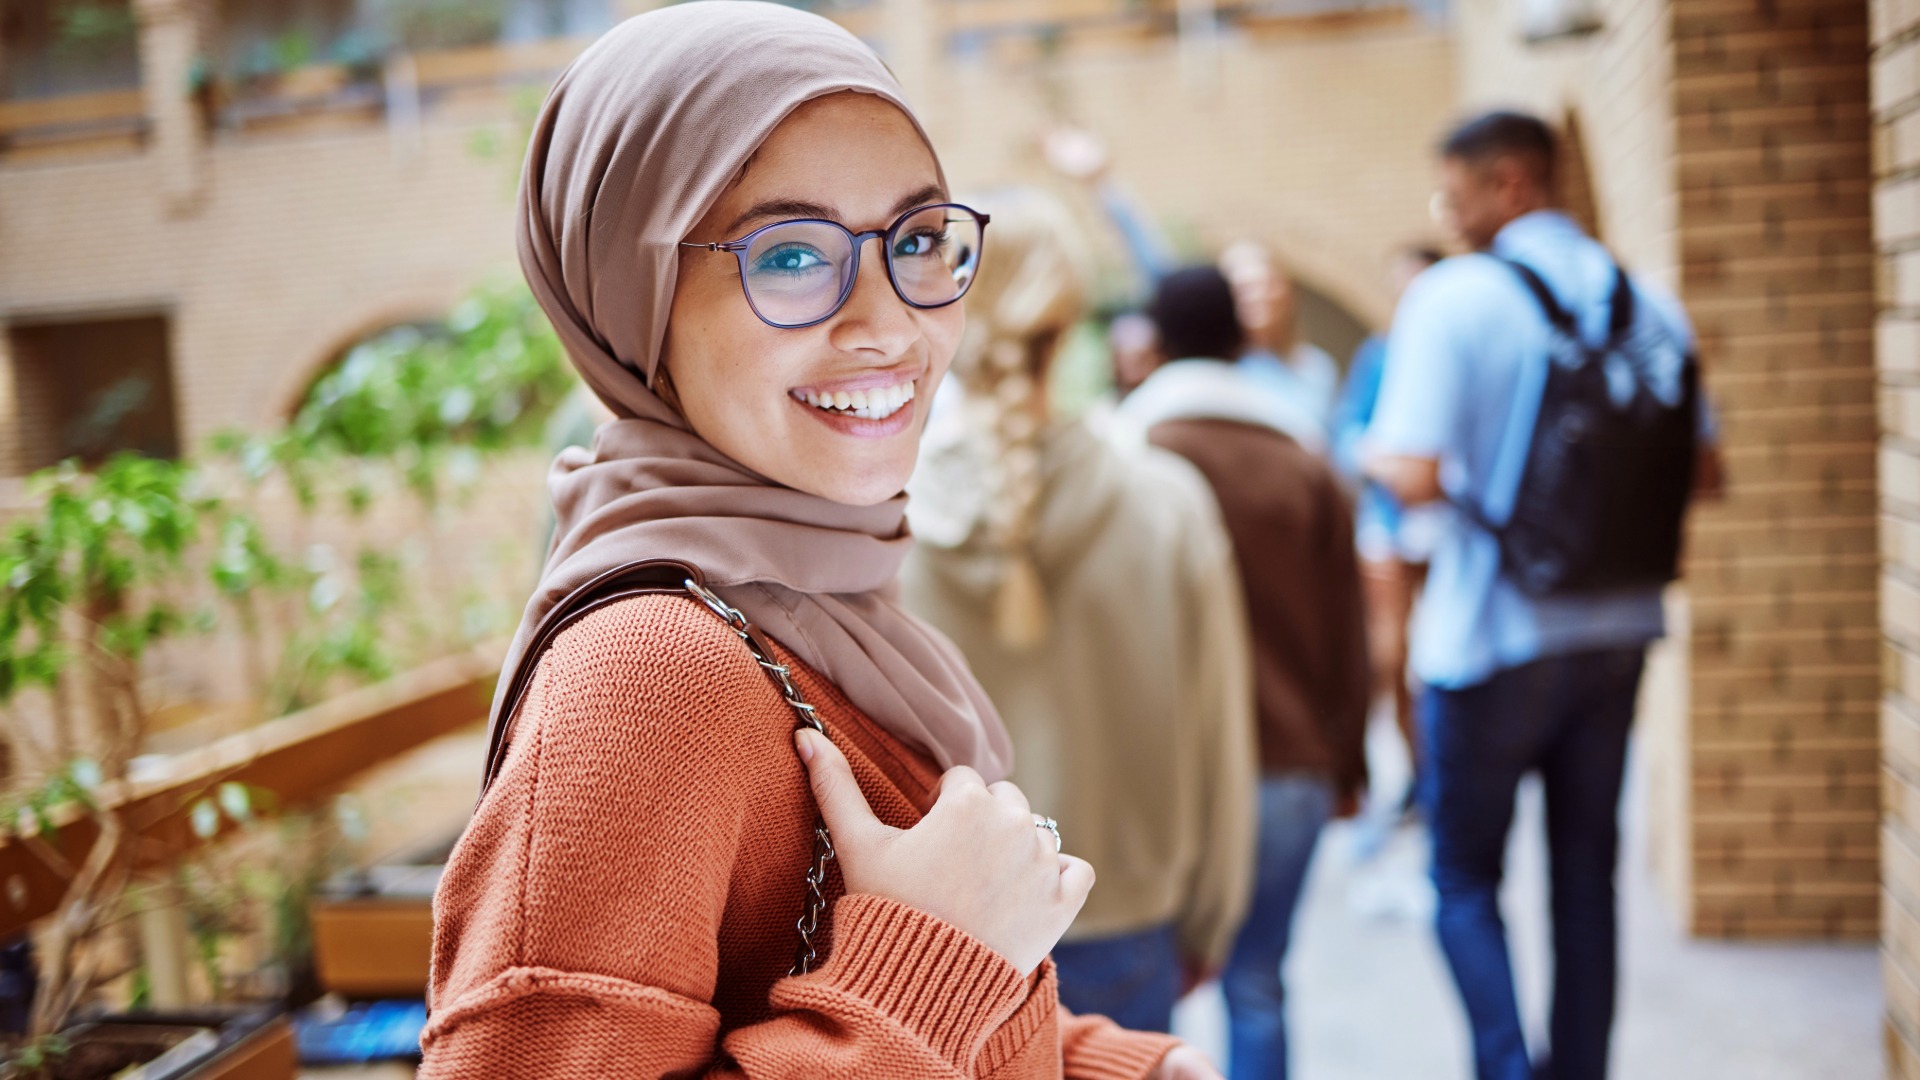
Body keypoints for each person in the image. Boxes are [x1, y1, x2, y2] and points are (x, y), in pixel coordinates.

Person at [422, 6, 1221, 1077]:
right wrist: (935, 960)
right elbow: (899, 1003)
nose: (889, 324)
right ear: (631, 290)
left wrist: (1104, 1064)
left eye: (918, 240)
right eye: (792, 253)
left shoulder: (813, 596)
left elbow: (838, 1004)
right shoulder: (648, 676)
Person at [1362, 111, 1721, 1080]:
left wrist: (1366, 453)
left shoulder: (1456, 297)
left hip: (1489, 636)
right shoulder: (1650, 303)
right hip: (1619, 631)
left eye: (1456, 190)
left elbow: (1414, 469)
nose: (1447, 212)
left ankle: (1506, 1070)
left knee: (1464, 877)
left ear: (1511, 183)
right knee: (1585, 880)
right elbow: (1710, 472)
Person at [900, 189, 1259, 1036]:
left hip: (934, 950)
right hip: (1127, 919)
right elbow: (1217, 733)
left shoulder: (875, 523)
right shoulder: (1167, 504)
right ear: (1074, 324)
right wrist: (1210, 914)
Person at [1118, 266, 1371, 1080]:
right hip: (1288, 768)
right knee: (1258, 982)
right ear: (1243, 338)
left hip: (1162, 780)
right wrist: (1349, 765)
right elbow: (1350, 632)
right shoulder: (1305, 460)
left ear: (1151, 343)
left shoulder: (1128, 457)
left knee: (1140, 996)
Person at [1329, 245, 1445, 809]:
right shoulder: (1381, 355)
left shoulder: (1455, 352)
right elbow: (1347, 432)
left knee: (1442, 655)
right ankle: (1417, 771)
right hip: (1389, 523)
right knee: (1390, 656)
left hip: (1449, 532)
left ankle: (1444, 771)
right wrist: (1382, 461)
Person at [1218, 242, 1341, 437]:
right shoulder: (1217, 370)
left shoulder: (1318, 367)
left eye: (1267, 285)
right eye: (1244, 288)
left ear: (1288, 292)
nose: (1258, 296)